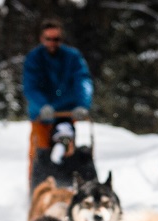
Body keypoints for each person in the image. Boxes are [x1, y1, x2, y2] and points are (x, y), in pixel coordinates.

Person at [23, 19, 93, 172]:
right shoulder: (34, 58)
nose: (52, 43)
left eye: (56, 39)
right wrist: (42, 106)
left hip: (67, 113)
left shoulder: (73, 57)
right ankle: (38, 189)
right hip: (42, 116)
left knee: (72, 151)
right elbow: (30, 87)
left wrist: (83, 104)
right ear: (42, 39)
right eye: (49, 39)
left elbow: (82, 81)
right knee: (39, 153)